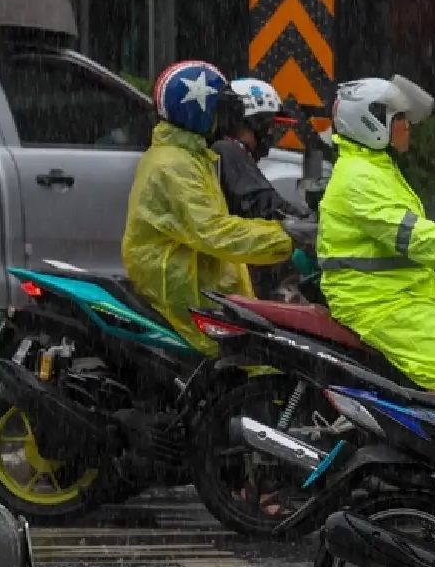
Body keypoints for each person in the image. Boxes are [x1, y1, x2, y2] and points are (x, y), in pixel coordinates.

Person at [316, 75, 435, 391]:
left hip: (404, 297)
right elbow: (417, 239)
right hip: (382, 305)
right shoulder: (360, 178)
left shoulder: (376, 167)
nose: (407, 125)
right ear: (370, 123)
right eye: (398, 117)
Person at [121, 60, 302, 354]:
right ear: (201, 112)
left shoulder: (193, 158)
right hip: (185, 298)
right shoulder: (174, 165)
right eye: (221, 109)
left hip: (198, 290)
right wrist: (289, 237)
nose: (228, 119)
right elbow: (214, 231)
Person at [213, 78, 309, 221]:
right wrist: (305, 222)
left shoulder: (220, 150)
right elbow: (264, 205)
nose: (271, 134)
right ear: (254, 123)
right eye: (269, 127)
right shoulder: (228, 151)